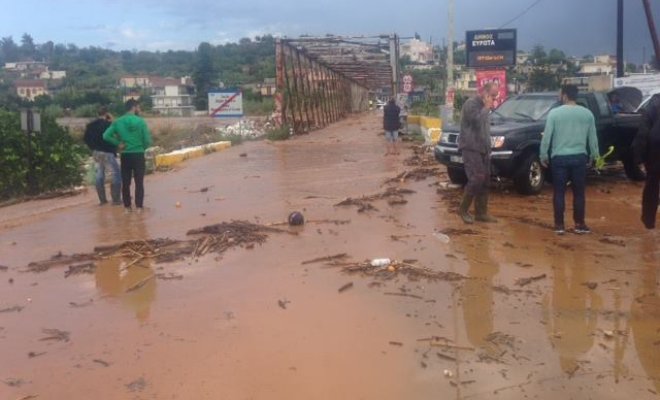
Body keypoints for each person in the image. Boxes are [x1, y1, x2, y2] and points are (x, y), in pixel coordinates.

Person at [540, 84, 599, 235]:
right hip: (579, 157)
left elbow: (547, 137)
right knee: (579, 193)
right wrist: (595, 156)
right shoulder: (587, 114)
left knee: (559, 192)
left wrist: (543, 155)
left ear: (565, 95)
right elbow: (593, 138)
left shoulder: (554, 113)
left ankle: (559, 225)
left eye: (560, 94)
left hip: (559, 158)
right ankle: (580, 224)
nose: (559, 97)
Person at [457, 82, 499, 224]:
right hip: (471, 147)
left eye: (495, 96)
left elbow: (485, 130)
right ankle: (463, 209)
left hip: (483, 149)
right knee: (476, 178)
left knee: (485, 180)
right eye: (493, 96)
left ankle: (481, 213)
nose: (494, 99)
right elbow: (476, 122)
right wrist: (486, 107)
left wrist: (489, 149)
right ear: (485, 93)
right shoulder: (471, 104)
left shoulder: (484, 108)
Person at [103, 99, 152, 213]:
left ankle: (127, 208)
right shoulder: (140, 121)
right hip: (138, 154)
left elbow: (105, 135)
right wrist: (141, 148)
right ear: (134, 107)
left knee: (126, 182)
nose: (139, 110)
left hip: (125, 155)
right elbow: (148, 140)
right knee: (139, 182)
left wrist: (118, 143)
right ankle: (139, 207)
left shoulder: (118, 121)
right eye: (138, 107)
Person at [83, 106, 121, 205]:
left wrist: (93, 147)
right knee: (115, 174)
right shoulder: (108, 124)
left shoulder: (90, 125)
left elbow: (85, 139)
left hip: (96, 152)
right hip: (108, 152)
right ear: (106, 114)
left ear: (98, 114)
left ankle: (102, 200)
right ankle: (116, 200)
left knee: (100, 174)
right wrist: (112, 120)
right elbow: (117, 134)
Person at [632, 95, 660, 229]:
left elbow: (643, 132)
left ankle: (649, 221)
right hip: (654, 149)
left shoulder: (654, 103)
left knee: (652, 184)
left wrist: (638, 157)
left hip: (654, 151)